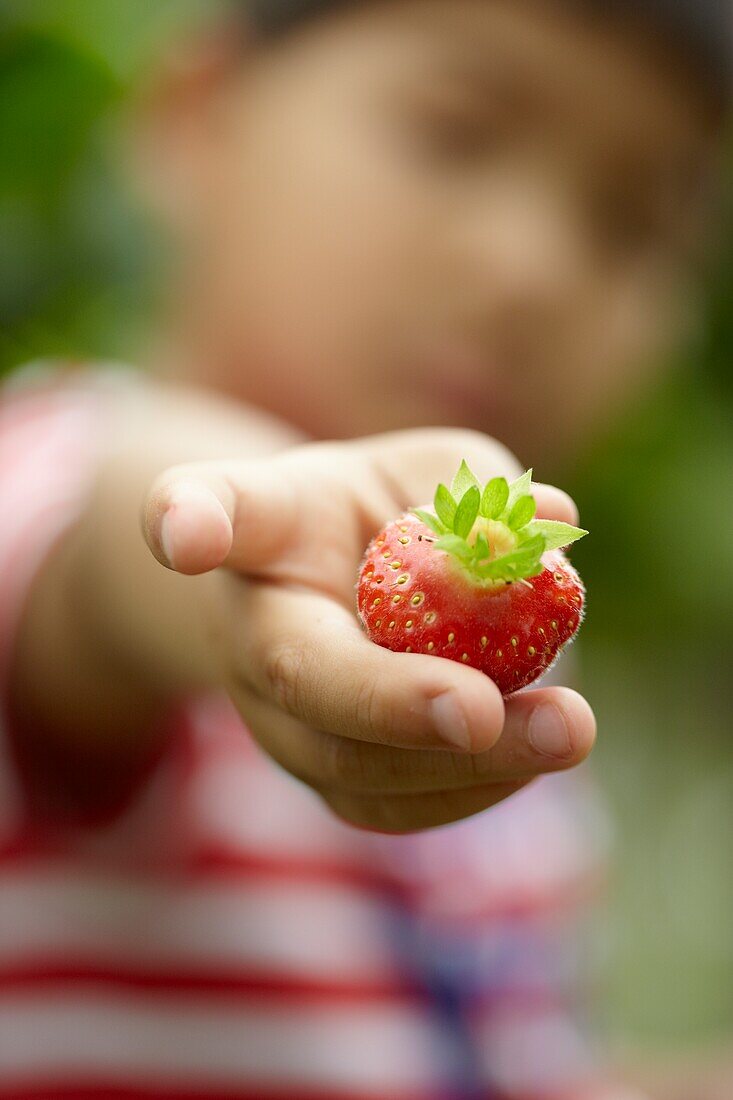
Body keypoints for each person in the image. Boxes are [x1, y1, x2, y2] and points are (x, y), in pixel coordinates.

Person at [0, 0, 729, 1096]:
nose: (533, 267)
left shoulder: (517, 687)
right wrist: (245, 547)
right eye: (455, 132)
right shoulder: (57, 464)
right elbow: (119, 536)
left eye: (630, 224)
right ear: (199, 117)